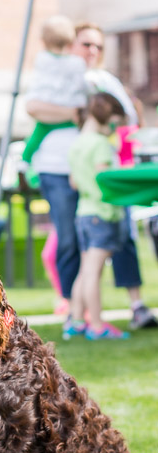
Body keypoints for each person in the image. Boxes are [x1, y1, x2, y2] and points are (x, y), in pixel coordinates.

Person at [26, 20, 157, 331]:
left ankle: (132, 305)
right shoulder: (57, 74)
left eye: (98, 45)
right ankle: (76, 312)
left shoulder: (103, 81)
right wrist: (78, 112)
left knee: (120, 237)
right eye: (86, 43)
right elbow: (34, 107)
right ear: (71, 46)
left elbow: (125, 118)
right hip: (61, 170)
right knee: (72, 243)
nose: (93, 50)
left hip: (101, 175)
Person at [65, 92, 129, 340]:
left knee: (84, 270)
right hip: (101, 213)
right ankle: (98, 324)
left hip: (83, 213)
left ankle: (77, 320)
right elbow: (105, 180)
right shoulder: (101, 144)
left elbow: (73, 182)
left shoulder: (77, 143)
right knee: (94, 272)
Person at [22, 15, 87, 166]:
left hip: (47, 114)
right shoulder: (77, 64)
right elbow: (81, 85)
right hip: (72, 115)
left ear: (43, 40)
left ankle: (24, 164)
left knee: (34, 141)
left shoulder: (42, 60)